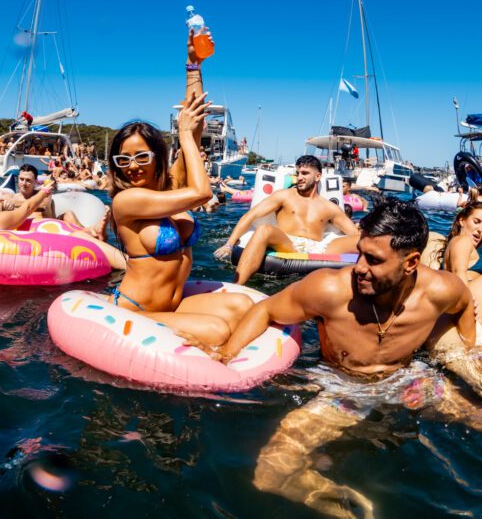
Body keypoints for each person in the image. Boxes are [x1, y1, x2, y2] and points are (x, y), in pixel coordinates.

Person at [184, 197, 480, 517]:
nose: (359, 267)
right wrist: (226, 354)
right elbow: (266, 310)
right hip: (344, 390)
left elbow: (463, 306)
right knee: (269, 473)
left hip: (411, 380)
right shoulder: (330, 289)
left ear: (411, 263)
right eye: (361, 252)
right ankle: (345, 504)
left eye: (374, 259)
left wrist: (465, 353)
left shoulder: (440, 290)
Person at [106, 30, 253, 345]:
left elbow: (195, 123)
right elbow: (202, 193)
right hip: (137, 309)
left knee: (243, 306)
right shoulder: (126, 202)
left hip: (174, 303)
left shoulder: (169, 186)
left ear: (156, 157)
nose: (132, 166)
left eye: (141, 157)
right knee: (218, 332)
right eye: (123, 160)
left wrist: (193, 64)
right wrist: (183, 135)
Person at [215, 155, 360, 284]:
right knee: (264, 230)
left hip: (318, 247)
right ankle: (237, 285)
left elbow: (355, 234)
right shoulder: (284, 196)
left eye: (305, 173)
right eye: (298, 173)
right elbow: (250, 216)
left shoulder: (329, 207)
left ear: (317, 177)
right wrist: (229, 245)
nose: (300, 177)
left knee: (363, 240)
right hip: (289, 243)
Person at [0, 164, 125, 270]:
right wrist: (6, 207)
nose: (24, 183)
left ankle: (95, 234)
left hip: (53, 231)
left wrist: (15, 204)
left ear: (35, 182)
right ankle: (94, 233)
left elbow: (43, 205)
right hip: (28, 237)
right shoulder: (11, 198)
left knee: (68, 214)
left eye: (28, 180)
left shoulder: (43, 193)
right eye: (21, 179)